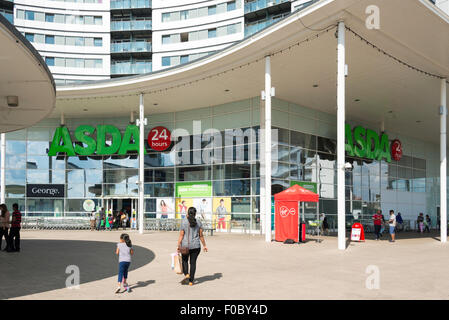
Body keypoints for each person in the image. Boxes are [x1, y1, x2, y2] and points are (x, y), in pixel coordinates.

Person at [177, 207, 208, 286]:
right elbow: (201, 235)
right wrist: (204, 245)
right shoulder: (198, 222)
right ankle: (191, 281)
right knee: (193, 263)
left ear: (187, 213)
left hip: (185, 246)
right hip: (196, 246)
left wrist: (178, 245)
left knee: (184, 260)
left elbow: (181, 235)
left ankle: (186, 274)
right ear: (195, 214)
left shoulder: (184, 222)